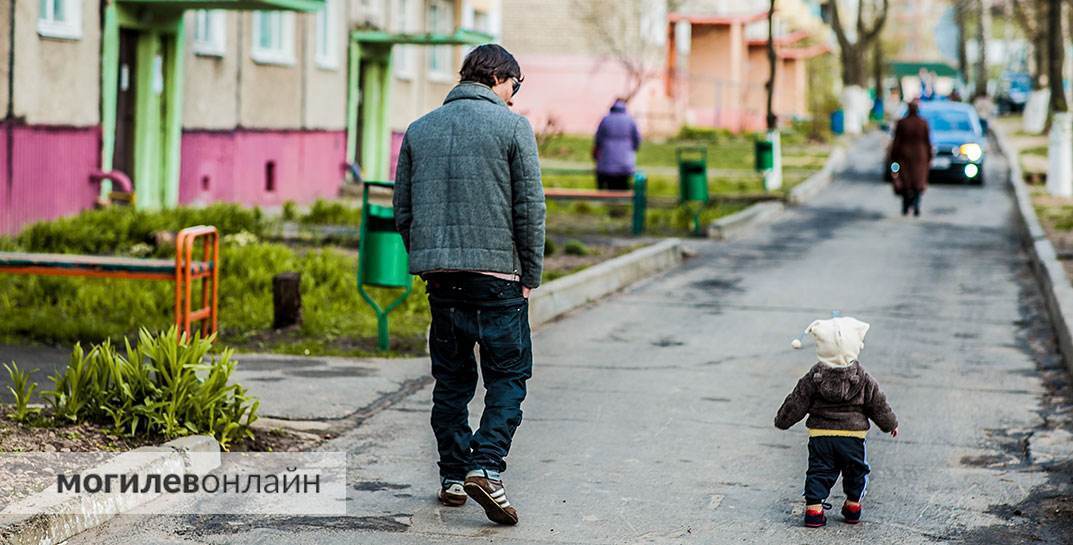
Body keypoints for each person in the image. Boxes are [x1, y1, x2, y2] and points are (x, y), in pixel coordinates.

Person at [393, 44, 545, 526]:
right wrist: (530, 277)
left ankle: (454, 476)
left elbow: (404, 211)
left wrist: (431, 260)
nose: (514, 99)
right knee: (509, 377)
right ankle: (486, 466)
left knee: (452, 382)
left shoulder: (419, 130)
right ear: (498, 77)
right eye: (514, 87)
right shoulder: (513, 128)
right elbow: (530, 210)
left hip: (442, 282)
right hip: (499, 280)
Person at [776, 317, 899, 528]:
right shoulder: (862, 377)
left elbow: (797, 400)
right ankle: (853, 505)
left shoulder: (814, 376)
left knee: (819, 470)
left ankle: (814, 509)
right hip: (853, 436)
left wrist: (783, 420)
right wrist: (890, 424)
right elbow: (878, 403)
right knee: (856, 470)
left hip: (821, 435)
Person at [890, 100, 932, 216]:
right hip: (920, 156)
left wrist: (893, 155)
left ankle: (906, 205)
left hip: (905, 155)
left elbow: (896, 141)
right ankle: (916, 204)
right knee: (918, 181)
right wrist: (929, 156)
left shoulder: (902, 123)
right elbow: (927, 141)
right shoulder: (923, 123)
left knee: (905, 180)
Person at [592, 98, 641, 190]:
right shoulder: (631, 121)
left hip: (606, 164)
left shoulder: (605, 120)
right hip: (625, 164)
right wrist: (630, 151)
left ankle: (605, 199)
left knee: (608, 182)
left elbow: (598, 140)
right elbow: (637, 140)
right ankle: (621, 200)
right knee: (622, 184)